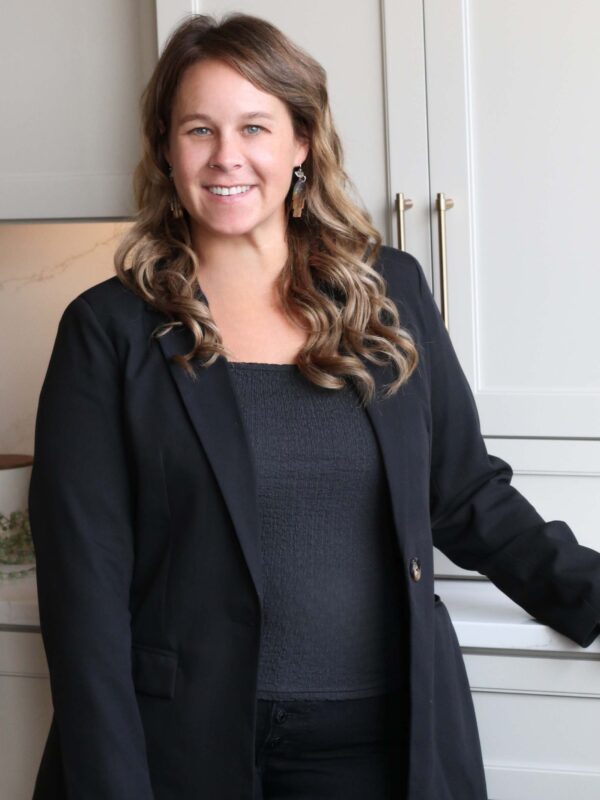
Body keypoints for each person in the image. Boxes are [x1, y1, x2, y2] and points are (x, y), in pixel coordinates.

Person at [28, 12, 600, 800]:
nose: (228, 156)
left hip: (380, 741)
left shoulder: (388, 292)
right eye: (200, 129)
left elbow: (463, 493)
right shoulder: (109, 329)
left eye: (255, 126)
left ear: (301, 142)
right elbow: (83, 592)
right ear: (166, 147)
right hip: (187, 745)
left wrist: (590, 592)